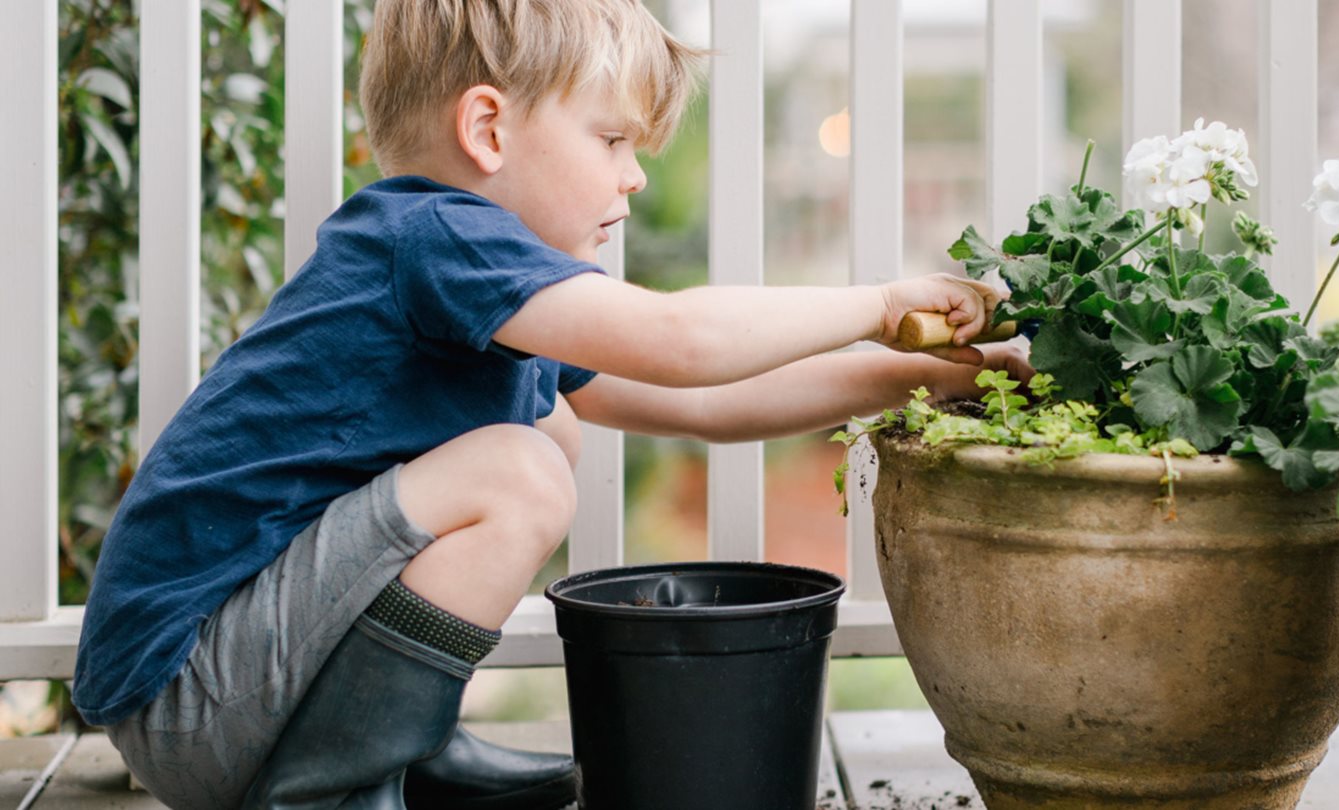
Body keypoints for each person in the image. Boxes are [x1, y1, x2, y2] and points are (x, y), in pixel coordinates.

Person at [71, 0, 1032, 808]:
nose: (634, 173)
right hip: (189, 692)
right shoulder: (437, 235)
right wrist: (873, 305)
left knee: (549, 427)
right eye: (611, 138)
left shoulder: (470, 281)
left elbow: (701, 401)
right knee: (519, 467)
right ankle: (336, 788)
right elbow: (684, 345)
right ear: (487, 130)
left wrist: (936, 376)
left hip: (236, 687)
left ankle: (408, 748)